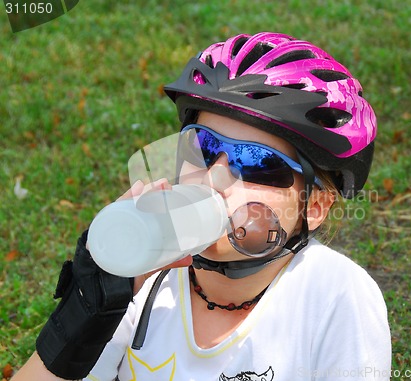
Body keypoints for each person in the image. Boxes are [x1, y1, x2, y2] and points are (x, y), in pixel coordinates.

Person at [12, 32, 391, 380]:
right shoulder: (145, 280)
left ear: (314, 206)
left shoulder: (335, 296)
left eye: (256, 161)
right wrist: (88, 311)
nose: (214, 178)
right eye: (204, 148)